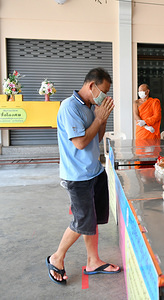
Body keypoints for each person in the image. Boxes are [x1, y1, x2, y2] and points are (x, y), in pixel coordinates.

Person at [46, 68, 120, 285]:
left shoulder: (90, 106)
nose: (104, 96)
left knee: (93, 219)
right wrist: (98, 118)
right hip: (78, 176)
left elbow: (95, 139)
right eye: (103, 91)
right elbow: (79, 142)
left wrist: (103, 118)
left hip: (94, 171)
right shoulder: (70, 107)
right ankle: (56, 257)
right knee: (82, 220)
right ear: (91, 86)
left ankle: (93, 261)